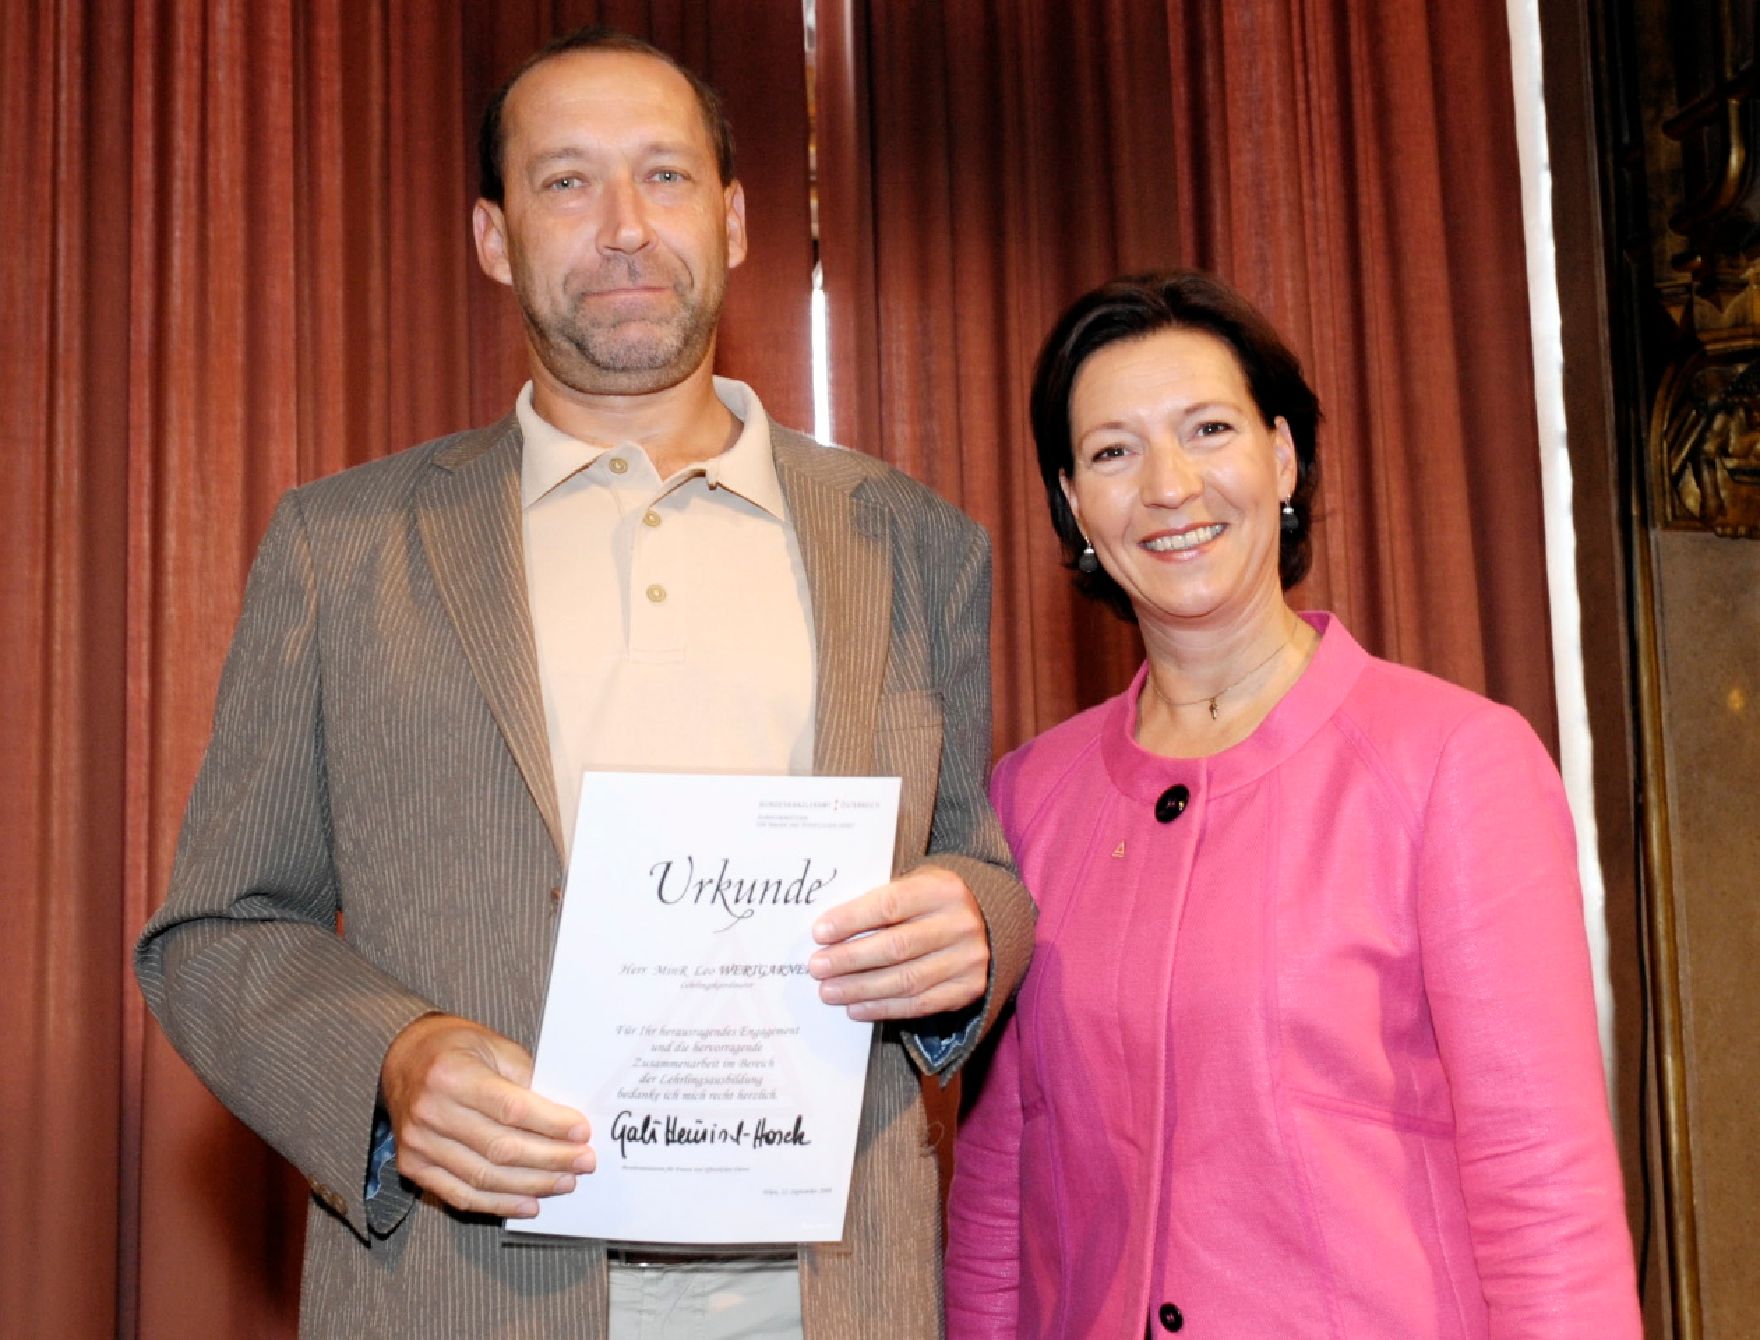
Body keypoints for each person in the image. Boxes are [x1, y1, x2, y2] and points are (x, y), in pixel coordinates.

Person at [135, 26, 1033, 1339]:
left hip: (829, 1285)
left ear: (730, 220)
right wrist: (394, 1059)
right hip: (465, 1290)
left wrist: (974, 925)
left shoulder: (913, 541)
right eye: (566, 182)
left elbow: (978, 862)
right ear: (494, 236)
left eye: (663, 177)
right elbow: (213, 937)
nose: (622, 228)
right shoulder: (344, 546)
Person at [943, 270, 1641, 1337]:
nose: (1168, 485)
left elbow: (1540, 1180)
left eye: (1207, 428)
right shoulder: (1028, 796)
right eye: (1112, 451)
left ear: (1280, 456)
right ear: (1073, 502)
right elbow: (1001, 1178)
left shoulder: (1453, 760)